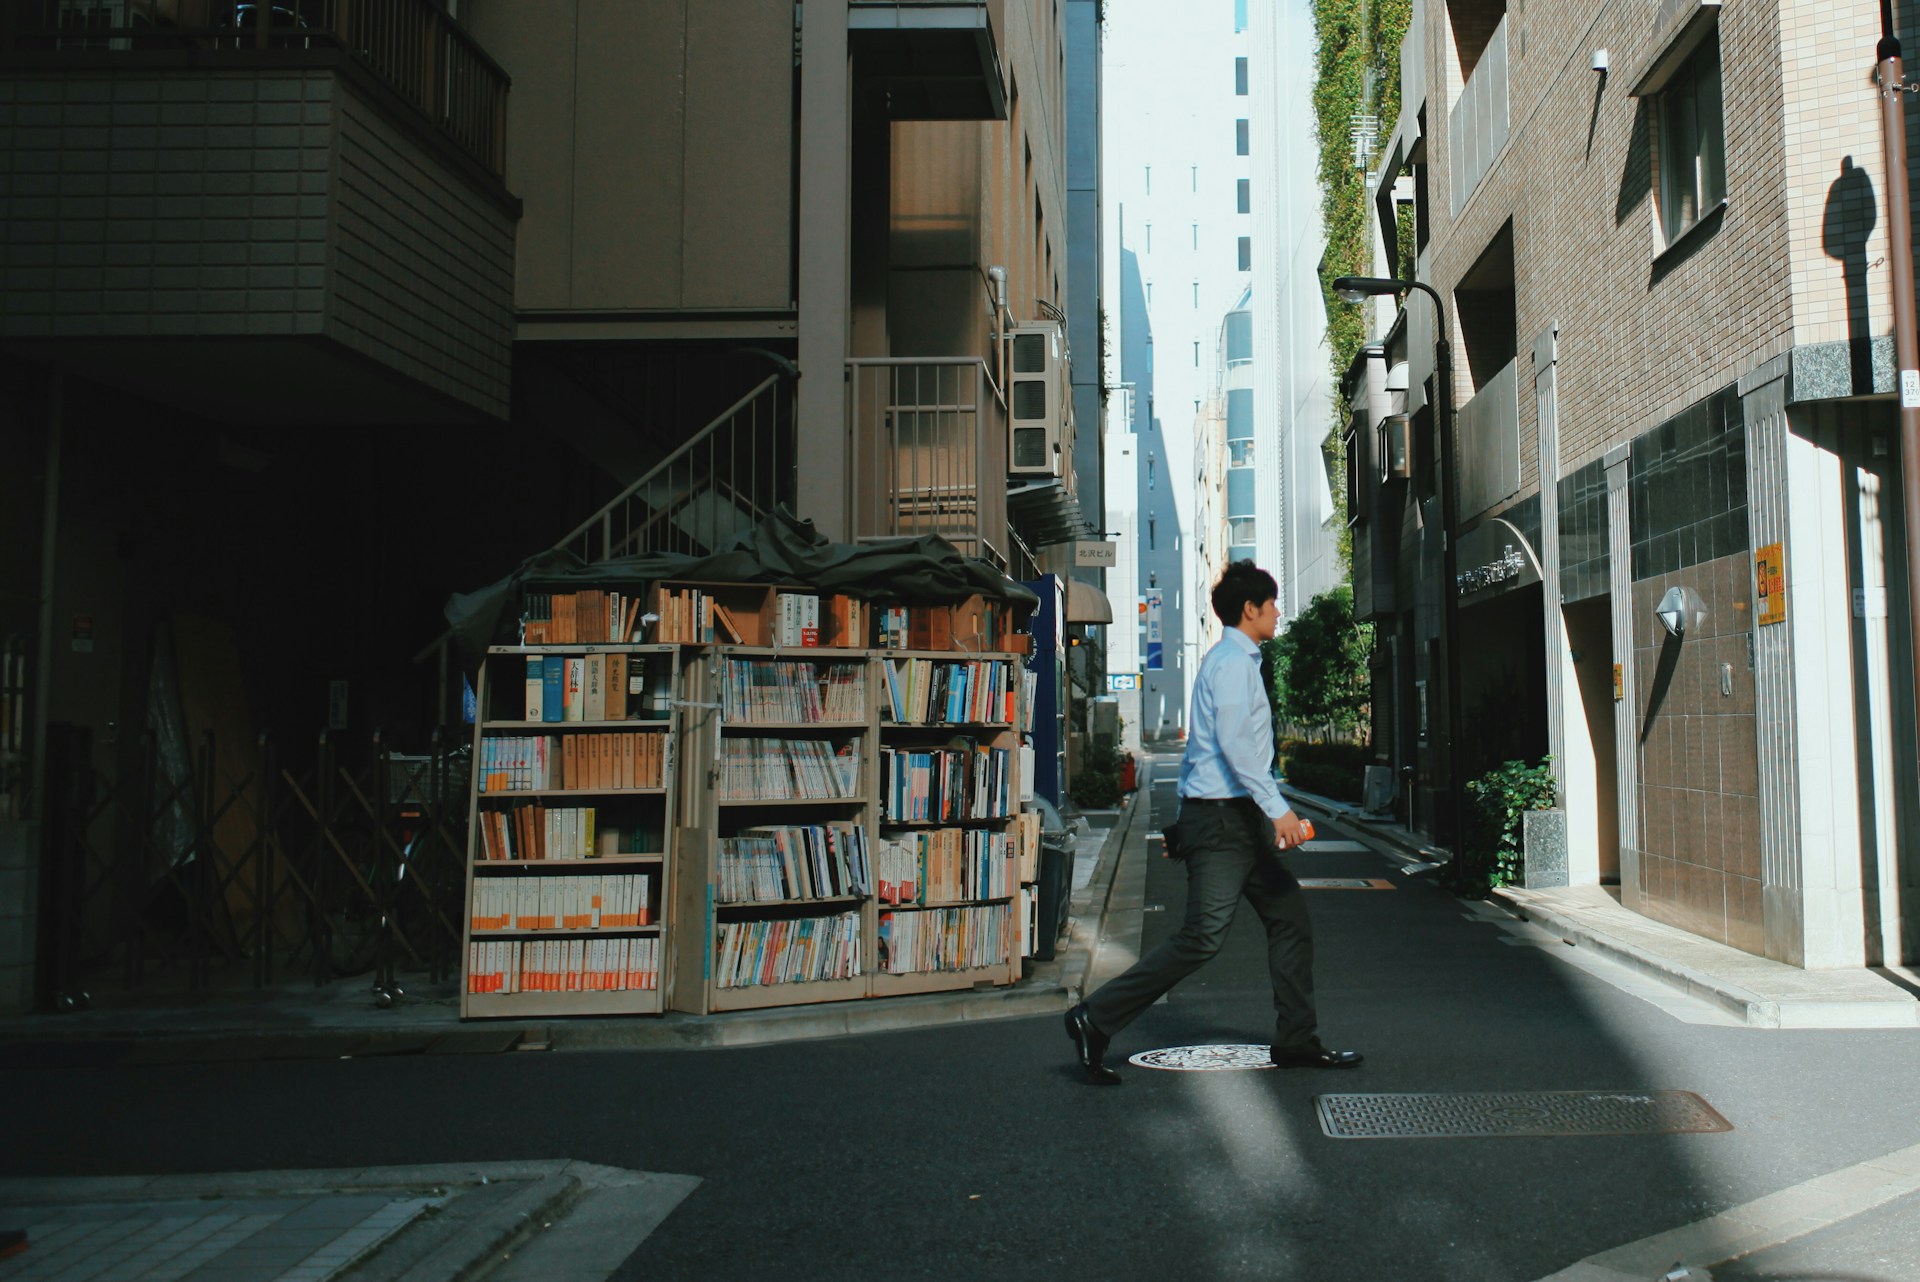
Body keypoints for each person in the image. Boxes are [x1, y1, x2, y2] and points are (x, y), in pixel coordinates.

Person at [1064, 560, 1363, 1084]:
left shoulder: (1238, 661)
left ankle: (1296, 1040)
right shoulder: (1230, 664)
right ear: (1250, 610)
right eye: (1270, 603)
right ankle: (1096, 1017)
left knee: (1289, 917)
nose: (1277, 611)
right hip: (1225, 824)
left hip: (1233, 821)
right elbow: (1232, 747)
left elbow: (1209, 755)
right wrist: (1281, 811)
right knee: (1202, 938)